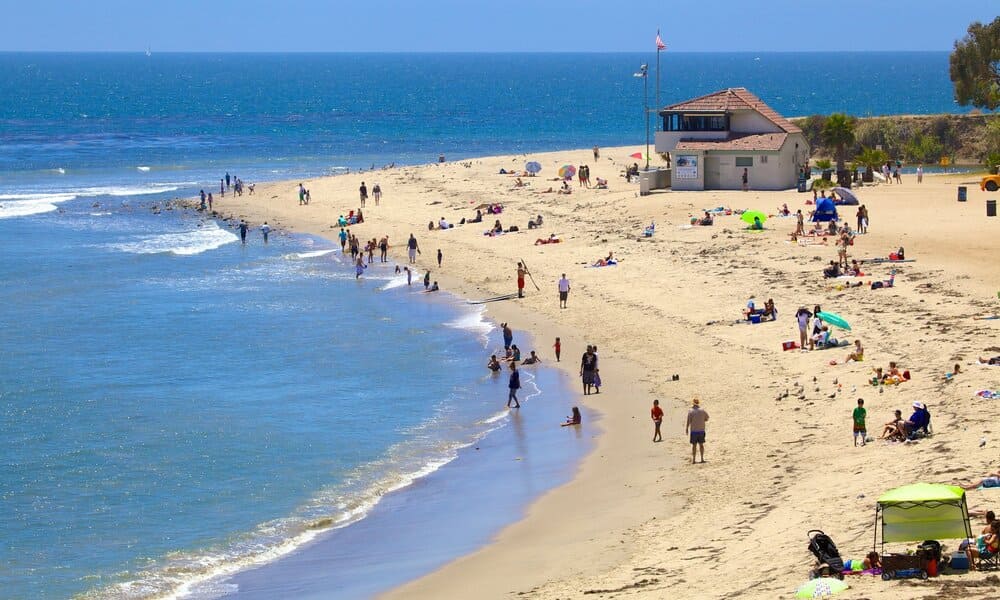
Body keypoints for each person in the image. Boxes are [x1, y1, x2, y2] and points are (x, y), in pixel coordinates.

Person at [685, 398, 709, 464]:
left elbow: (688, 421)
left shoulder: (690, 411)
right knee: (701, 444)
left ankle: (694, 460)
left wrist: (686, 428)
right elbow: (707, 418)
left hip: (694, 430)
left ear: (693, 403)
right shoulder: (702, 410)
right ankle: (702, 458)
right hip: (701, 430)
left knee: (694, 445)